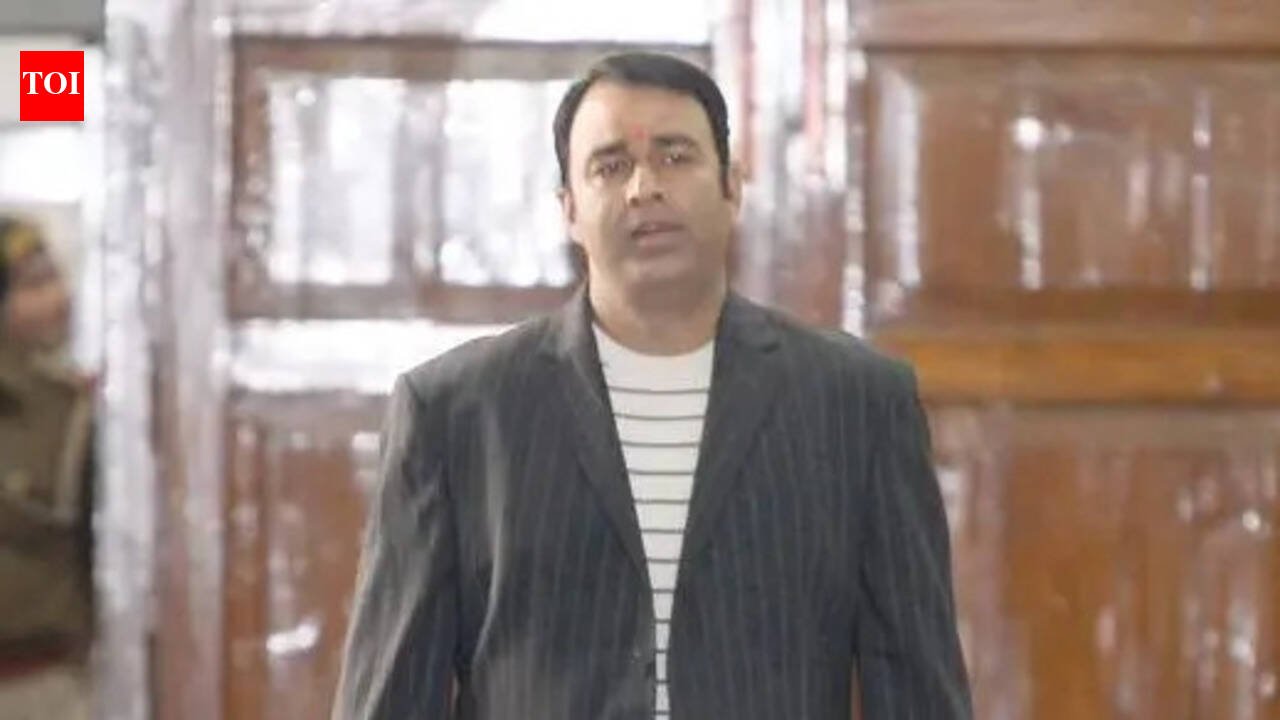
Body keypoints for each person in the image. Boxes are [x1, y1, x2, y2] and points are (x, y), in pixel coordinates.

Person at [333, 52, 971, 719]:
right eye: (611, 166)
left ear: (732, 187)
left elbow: (918, 685)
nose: (644, 187)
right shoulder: (457, 413)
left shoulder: (856, 405)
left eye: (675, 156)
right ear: (569, 209)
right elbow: (391, 697)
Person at [0, 215, 95, 720]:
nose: (58, 298)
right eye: (34, 286)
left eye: (55, 278)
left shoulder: (70, 407)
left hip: (41, 678)